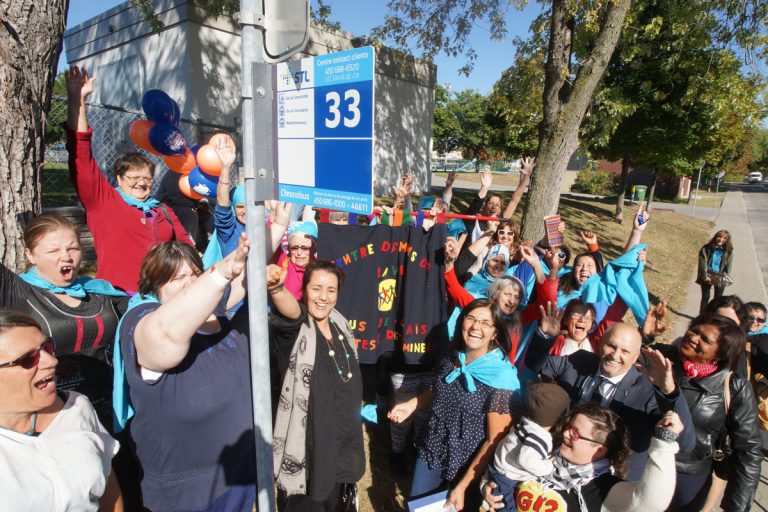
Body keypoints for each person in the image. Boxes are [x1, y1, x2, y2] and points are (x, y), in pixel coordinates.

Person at [114, 236, 256, 511]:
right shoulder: (143, 320)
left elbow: (244, 281)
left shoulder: (210, 311)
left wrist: (275, 227)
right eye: (178, 278)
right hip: (184, 493)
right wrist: (222, 272)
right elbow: (167, 337)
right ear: (155, 285)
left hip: (237, 475)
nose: (191, 284)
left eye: (195, 274)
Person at [65, 66, 193, 292]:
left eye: (147, 178)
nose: (142, 183)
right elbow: (81, 154)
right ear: (119, 177)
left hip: (162, 298)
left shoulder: (162, 211)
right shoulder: (104, 202)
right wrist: (78, 99)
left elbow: (184, 245)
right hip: (118, 298)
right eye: (134, 177)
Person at [525, 313, 696, 481]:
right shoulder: (580, 361)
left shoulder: (647, 390)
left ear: (636, 357)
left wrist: (669, 391)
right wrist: (545, 336)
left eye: (625, 351)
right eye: (611, 346)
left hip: (612, 482)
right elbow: (537, 364)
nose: (615, 355)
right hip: (558, 462)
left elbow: (686, 443)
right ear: (599, 344)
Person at [388, 299, 519, 511]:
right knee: (420, 506)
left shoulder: (501, 378)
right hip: (434, 445)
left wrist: (462, 486)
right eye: (471, 319)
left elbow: (494, 440)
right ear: (461, 322)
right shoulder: (451, 354)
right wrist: (412, 404)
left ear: (495, 333)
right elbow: (439, 390)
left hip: (472, 461)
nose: (476, 327)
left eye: (486, 323)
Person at [0, 214, 127, 427]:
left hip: (109, 409)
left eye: (73, 248)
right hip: (48, 419)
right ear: (30, 255)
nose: (66, 257)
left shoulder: (101, 291)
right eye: (54, 250)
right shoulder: (16, 293)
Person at [0, 310, 122, 511]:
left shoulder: (77, 406)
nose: (52, 361)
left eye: (47, 347)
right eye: (28, 359)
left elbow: (109, 488)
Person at [268, 259, 365, 510]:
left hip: (342, 445)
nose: (323, 297)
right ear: (304, 290)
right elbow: (291, 311)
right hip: (310, 450)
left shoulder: (340, 324)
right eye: (316, 288)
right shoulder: (298, 328)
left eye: (331, 290)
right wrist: (277, 289)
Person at [644, 314, 762, 511]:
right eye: (694, 330)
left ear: (720, 353)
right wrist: (645, 337)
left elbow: (748, 450)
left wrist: (738, 506)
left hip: (687, 477)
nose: (693, 337)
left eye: (705, 339)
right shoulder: (663, 357)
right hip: (643, 461)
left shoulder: (734, 387)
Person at [482, 403, 684, 512]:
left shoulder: (602, 488)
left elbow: (651, 503)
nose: (566, 435)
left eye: (576, 434)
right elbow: (503, 466)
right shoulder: (546, 453)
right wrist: (488, 488)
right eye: (569, 428)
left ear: (600, 450)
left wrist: (664, 444)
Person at [481, 382, 571, 511]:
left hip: (500, 470)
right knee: (506, 508)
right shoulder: (539, 436)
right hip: (505, 478)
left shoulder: (525, 423)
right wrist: (548, 466)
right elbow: (526, 460)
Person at [696, 230, 733, 313]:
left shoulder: (729, 251)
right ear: (715, 237)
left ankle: (713, 317)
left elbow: (728, 267)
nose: (721, 239)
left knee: (718, 299)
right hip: (707, 274)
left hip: (720, 276)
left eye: (724, 238)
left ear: (727, 240)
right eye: (719, 237)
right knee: (706, 297)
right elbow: (702, 263)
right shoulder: (706, 248)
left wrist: (724, 278)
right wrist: (705, 277)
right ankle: (702, 317)